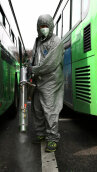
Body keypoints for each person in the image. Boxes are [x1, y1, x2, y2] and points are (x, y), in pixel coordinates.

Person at [28, 14, 64, 152]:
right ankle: (40, 134)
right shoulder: (38, 41)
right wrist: (31, 71)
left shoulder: (56, 41)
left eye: (46, 26)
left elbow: (50, 64)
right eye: (41, 26)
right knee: (37, 108)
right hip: (39, 80)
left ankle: (52, 139)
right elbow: (35, 59)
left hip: (51, 81)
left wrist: (34, 70)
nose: (43, 29)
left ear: (51, 26)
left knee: (50, 110)